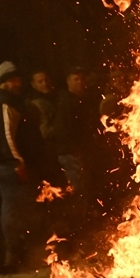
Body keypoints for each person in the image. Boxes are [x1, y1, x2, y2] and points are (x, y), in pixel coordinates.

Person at [0, 61, 41, 269]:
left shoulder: (2, 100)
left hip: (4, 162)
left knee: (15, 206)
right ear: (5, 82)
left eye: (18, 79)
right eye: (14, 80)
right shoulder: (3, 103)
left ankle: (18, 251)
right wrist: (17, 162)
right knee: (17, 206)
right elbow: (6, 137)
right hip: (8, 165)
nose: (19, 83)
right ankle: (18, 252)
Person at [55, 67, 100, 227]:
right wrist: (76, 150)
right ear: (68, 81)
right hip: (71, 155)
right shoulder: (66, 102)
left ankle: (82, 223)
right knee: (78, 191)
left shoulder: (83, 100)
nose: (80, 82)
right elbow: (63, 131)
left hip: (82, 153)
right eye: (76, 79)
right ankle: (75, 228)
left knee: (85, 189)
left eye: (82, 79)